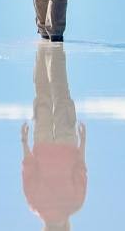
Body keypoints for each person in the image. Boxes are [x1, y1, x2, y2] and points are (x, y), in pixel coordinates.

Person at [21, 42, 88, 231]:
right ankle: (43, 50)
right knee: (42, 95)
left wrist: (83, 142)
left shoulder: (75, 204)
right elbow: (28, 168)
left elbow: (80, 169)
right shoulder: (35, 204)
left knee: (60, 92)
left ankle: (53, 48)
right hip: (43, 143)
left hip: (66, 142)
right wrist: (24, 142)